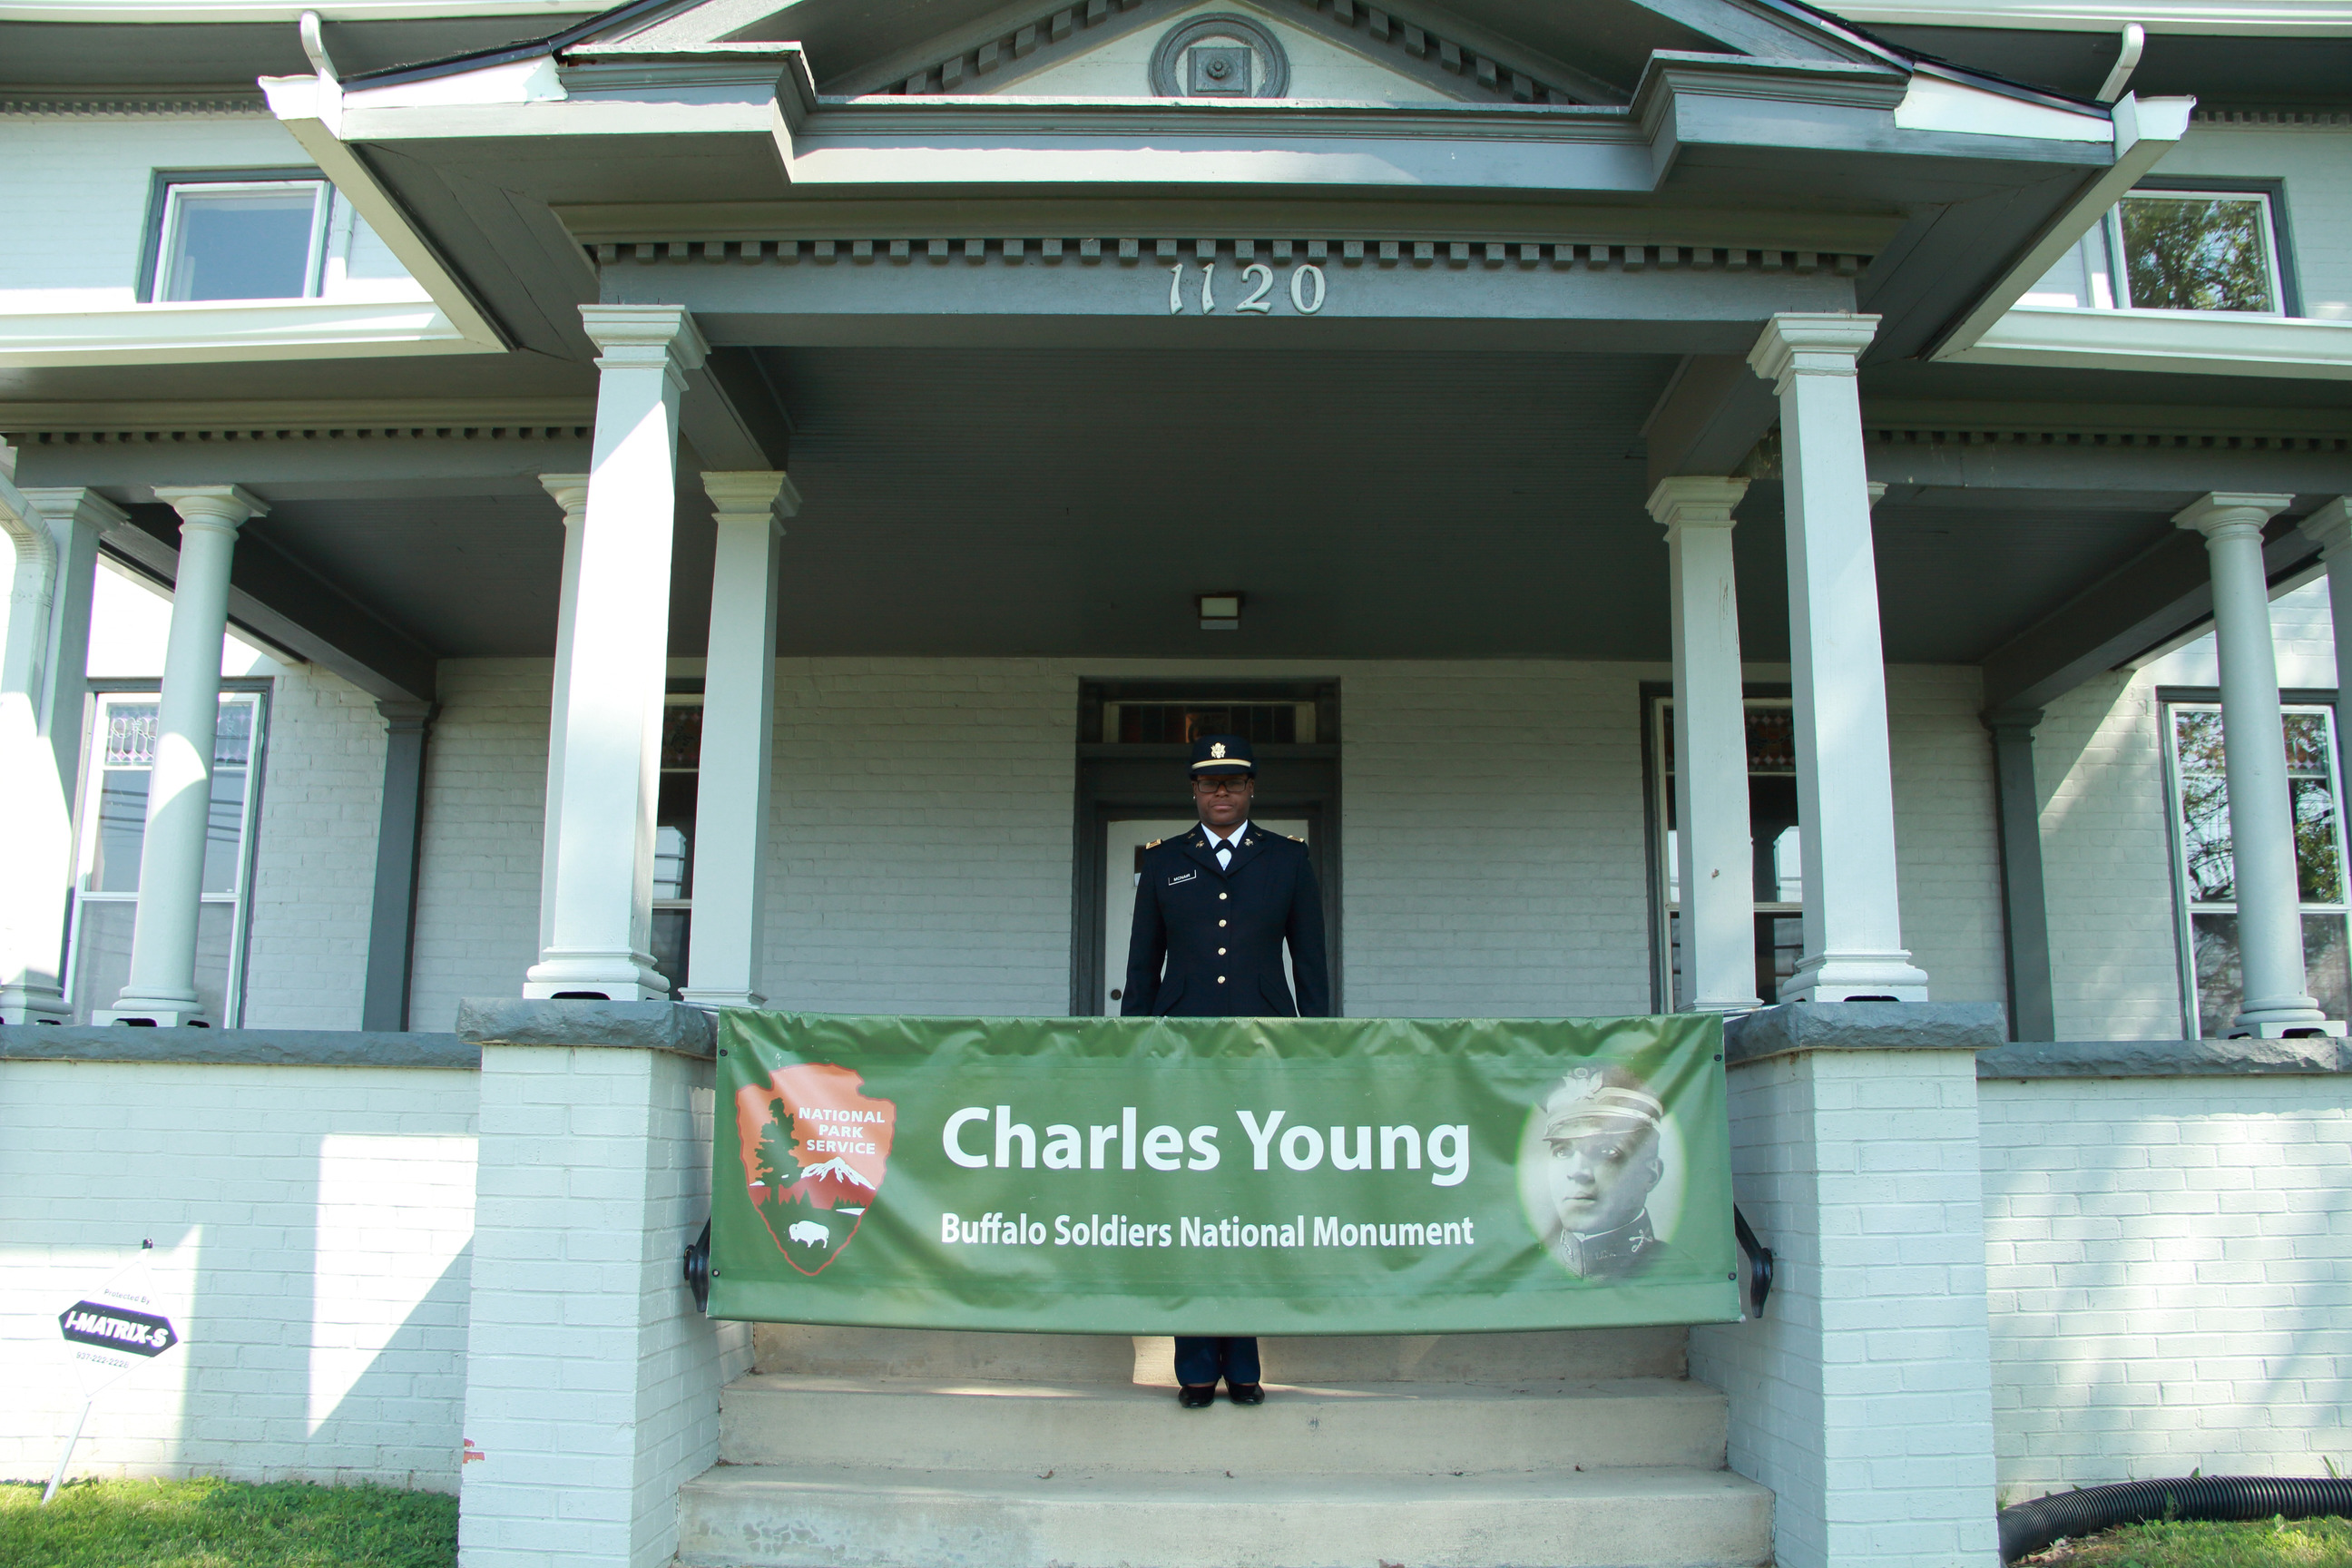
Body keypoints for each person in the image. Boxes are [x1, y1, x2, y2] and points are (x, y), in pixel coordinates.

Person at [1123, 732, 1329, 1409]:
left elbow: (1312, 966)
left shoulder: (1289, 861)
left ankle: (1244, 1362)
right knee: (1191, 1207)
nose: (1221, 793)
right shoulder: (1162, 865)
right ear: (1194, 791)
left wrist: (1316, 1050)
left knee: (1251, 1206)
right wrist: (1138, 1058)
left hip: (1264, 1057)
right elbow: (1140, 972)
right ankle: (1193, 1367)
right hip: (1182, 1058)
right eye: (1209, 783)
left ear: (1250, 791)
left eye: (1234, 782)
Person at [1537, 1065, 1675, 1280]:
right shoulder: (1529, 1272)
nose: (1578, 1171)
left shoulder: (1681, 1274)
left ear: (1651, 1174)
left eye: (1606, 1151)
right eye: (1563, 1151)